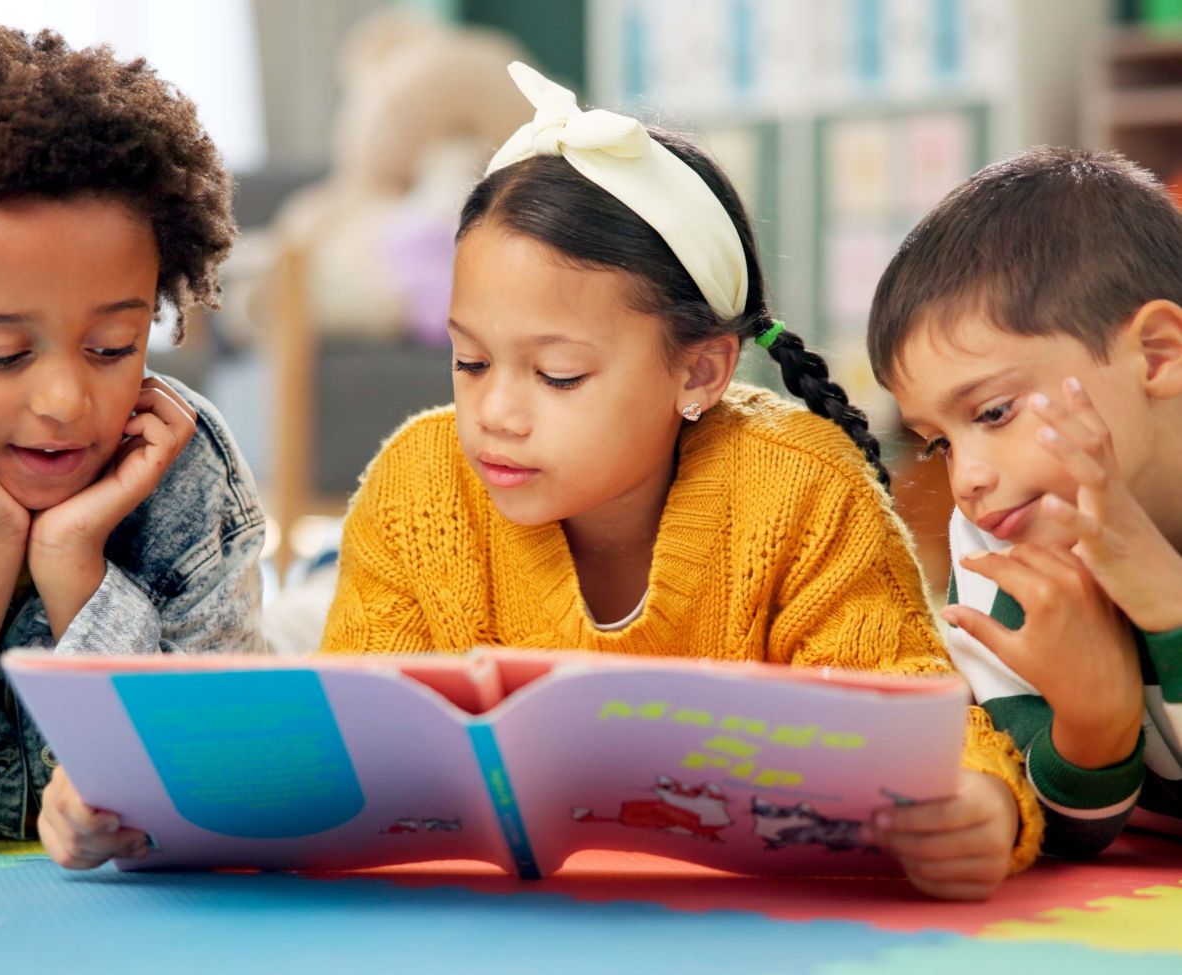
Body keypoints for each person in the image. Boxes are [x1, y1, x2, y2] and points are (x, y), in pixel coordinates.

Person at [316, 63, 1041, 900]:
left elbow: (914, 703)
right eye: (470, 360)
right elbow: (353, 737)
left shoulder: (802, 487)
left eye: (556, 375)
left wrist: (978, 804)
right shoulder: (418, 483)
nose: (496, 413)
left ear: (700, 372)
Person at [0, 20, 265, 864]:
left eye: (112, 349)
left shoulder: (183, 461)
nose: (64, 402)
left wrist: (73, 562)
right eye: (4, 354)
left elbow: (230, 795)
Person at [866, 145, 1182, 857]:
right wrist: (1091, 722)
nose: (967, 479)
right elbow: (1059, 830)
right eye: (939, 442)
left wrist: (1166, 604)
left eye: (995, 412)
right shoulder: (999, 550)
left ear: (1158, 355)